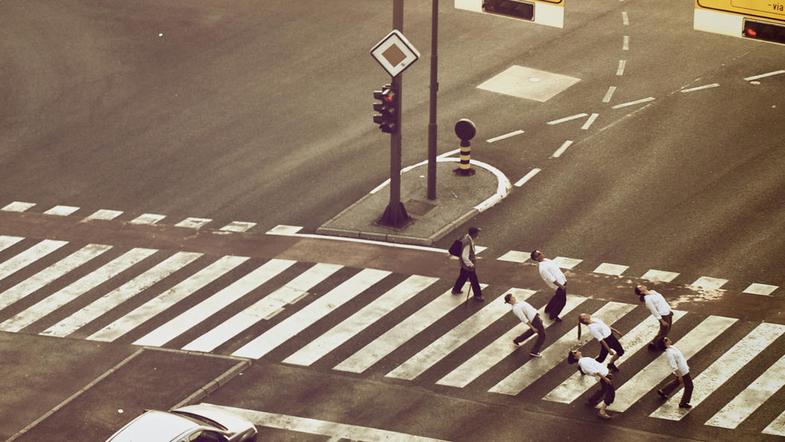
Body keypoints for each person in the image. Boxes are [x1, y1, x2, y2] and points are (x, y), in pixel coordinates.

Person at [568, 349, 615, 419]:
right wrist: (605, 378)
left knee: (604, 389)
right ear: (575, 357)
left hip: (605, 375)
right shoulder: (583, 362)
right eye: (575, 352)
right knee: (611, 393)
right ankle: (602, 412)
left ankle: (592, 400)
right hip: (604, 377)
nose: (577, 351)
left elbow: (596, 366)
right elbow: (594, 371)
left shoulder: (584, 360)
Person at [656, 337, 693, 409]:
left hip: (683, 369)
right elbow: (673, 366)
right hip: (682, 372)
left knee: (677, 382)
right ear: (665, 344)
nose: (668, 339)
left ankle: (664, 391)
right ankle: (683, 402)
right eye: (666, 340)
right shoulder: (669, 353)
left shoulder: (672, 348)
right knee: (689, 386)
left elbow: (679, 359)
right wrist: (679, 375)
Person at [504, 293, 545, 358]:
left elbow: (529, 308)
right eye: (512, 298)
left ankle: (517, 340)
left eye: (513, 296)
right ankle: (534, 351)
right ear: (509, 301)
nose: (514, 297)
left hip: (535, 317)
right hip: (534, 320)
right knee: (542, 336)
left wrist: (537, 314)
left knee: (532, 331)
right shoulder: (516, 308)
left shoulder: (519, 302)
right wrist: (532, 326)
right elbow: (523, 319)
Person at [635, 284, 673, 351]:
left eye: (641, 285)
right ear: (641, 292)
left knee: (667, 329)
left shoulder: (653, 291)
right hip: (663, 315)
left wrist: (669, 310)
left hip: (667, 312)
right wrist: (662, 321)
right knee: (663, 332)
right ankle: (655, 344)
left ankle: (658, 343)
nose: (642, 286)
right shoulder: (648, 299)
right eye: (640, 287)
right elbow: (653, 310)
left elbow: (663, 301)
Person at [530, 250, 566, 321]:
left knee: (557, 297)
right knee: (562, 301)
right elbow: (551, 279)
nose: (542, 254)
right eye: (539, 254)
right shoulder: (542, 268)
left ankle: (548, 309)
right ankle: (553, 315)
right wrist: (561, 286)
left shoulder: (546, 260)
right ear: (536, 258)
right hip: (559, 285)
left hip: (562, 281)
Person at [451, 227, 484, 301]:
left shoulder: (467, 237)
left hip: (465, 264)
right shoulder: (467, 243)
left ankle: (456, 289)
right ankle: (478, 295)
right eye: (477, 233)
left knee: (463, 276)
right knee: (474, 280)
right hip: (468, 265)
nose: (478, 234)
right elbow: (464, 256)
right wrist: (471, 265)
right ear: (474, 234)